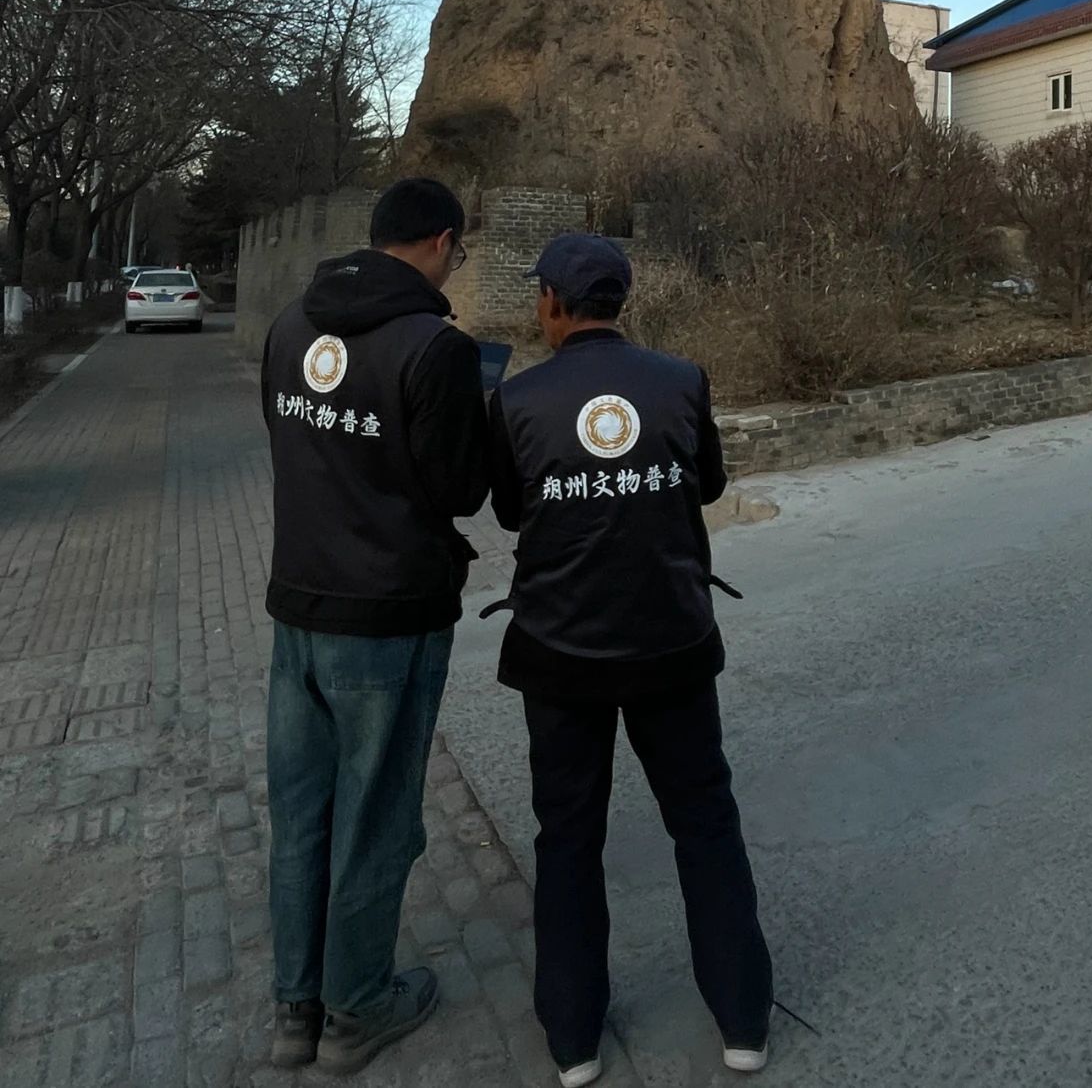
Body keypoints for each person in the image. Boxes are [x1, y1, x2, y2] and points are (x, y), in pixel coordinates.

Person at [486, 233, 774, 1087]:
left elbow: (509, 512)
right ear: (621, 302)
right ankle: (744, 1022)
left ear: (553, 304)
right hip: (670, 643)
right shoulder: (680, 380)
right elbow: (708, 484)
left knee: (569, 838)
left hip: (560, 652)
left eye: (540, 295)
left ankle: (573, 1041)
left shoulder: (518, 399)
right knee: (705, 823)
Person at [261, 178, 489, 1076]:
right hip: (390, 617)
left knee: (302, 814)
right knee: (377, 818)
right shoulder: (436, 348)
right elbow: (459, 490)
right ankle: (357, 1008)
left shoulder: (290, 326)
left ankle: (296, 1008)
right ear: (440, 241)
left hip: (298, 609)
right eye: (458, 252)